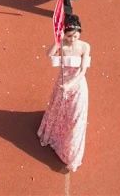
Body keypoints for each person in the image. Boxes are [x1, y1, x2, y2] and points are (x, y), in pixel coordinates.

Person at [38, 12, 90, 173]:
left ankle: (71, 153)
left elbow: (83, 71)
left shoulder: (85, 47)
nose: (72, 39)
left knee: (75, 119)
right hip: (62, 85)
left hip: (77, 86)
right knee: (59, 112)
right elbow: (49, 54)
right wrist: (57, 41)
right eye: (69, 36)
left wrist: (70, 85)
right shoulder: (62, 44)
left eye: (75, 36)